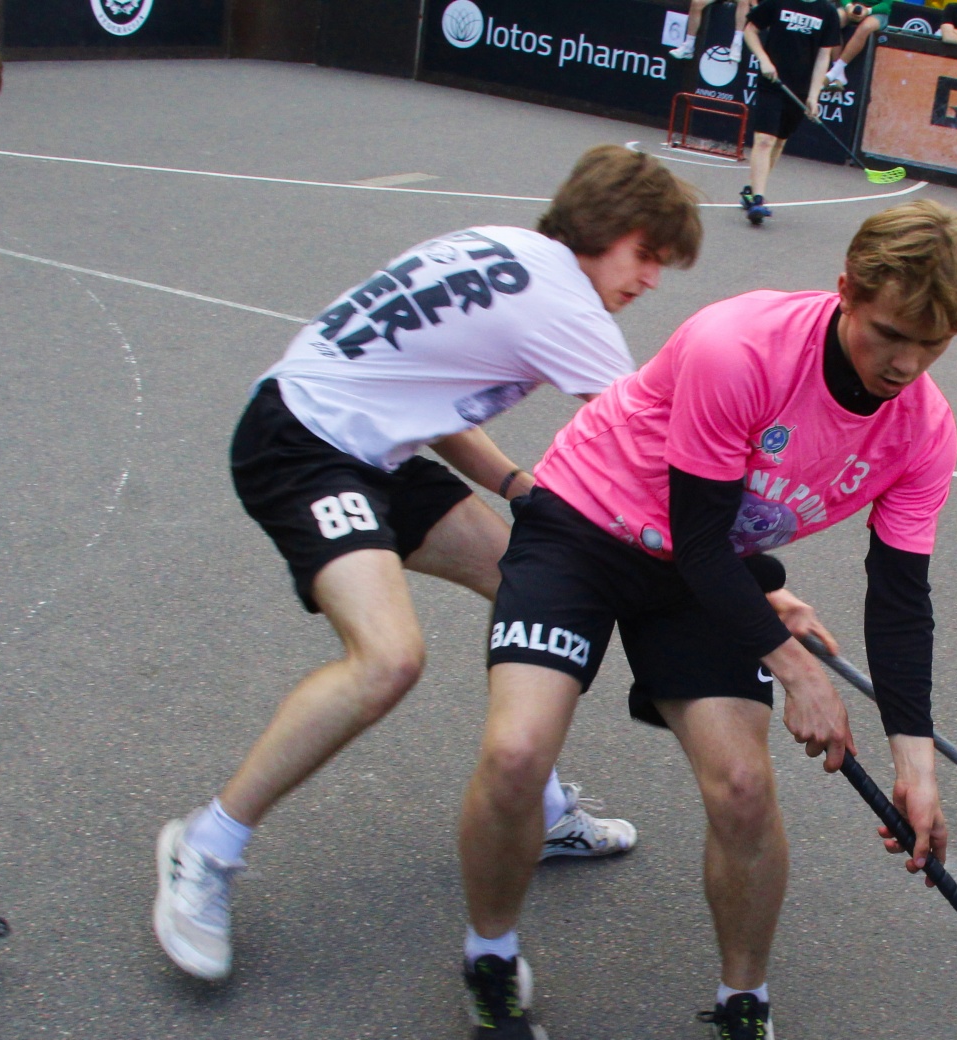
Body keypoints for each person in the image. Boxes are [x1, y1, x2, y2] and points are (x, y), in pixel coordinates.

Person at [452, 201, 957, 1040]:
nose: (904, 365)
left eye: (931, 345)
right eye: (891, 333)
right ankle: (490, 958)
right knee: (515, 754)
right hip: (588, 525)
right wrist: (793, 667)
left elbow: (901, 599)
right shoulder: (739, 346)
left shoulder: (924, 430)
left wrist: (918, 767)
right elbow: (700, 538)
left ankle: (745, 1002)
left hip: (704, 570)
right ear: (847, 291)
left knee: (743, 786)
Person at [152, 147, 700, 984]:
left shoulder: (494, 246)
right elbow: (653, 452)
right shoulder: (565, 304)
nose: (652, 279)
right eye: (646, 254)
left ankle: (535, 807)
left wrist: (516, 487)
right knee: (388, 659)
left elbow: (426, 389)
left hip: (369, 441)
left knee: (526, 583)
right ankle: (205, 845)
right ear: (606, 228)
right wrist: (735, 578)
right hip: (306, 447)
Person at [740, 0, 844, 225]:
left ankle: (752, 190)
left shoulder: (828, 12)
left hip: (800, 88)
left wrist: (814, 95)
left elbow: (823, 57)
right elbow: (750, 30)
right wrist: (764, 60)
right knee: (765, 140)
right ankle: (758, 200)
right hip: (772, 82)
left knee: (778, 142)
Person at [828, 1, 890, 87]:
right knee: (835, 20)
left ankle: (834, 72)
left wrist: (868, 11)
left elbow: (887, 5)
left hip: (877, 12)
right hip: (852, 7)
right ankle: (839, 75)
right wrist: (848, 6)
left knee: (865, 27)